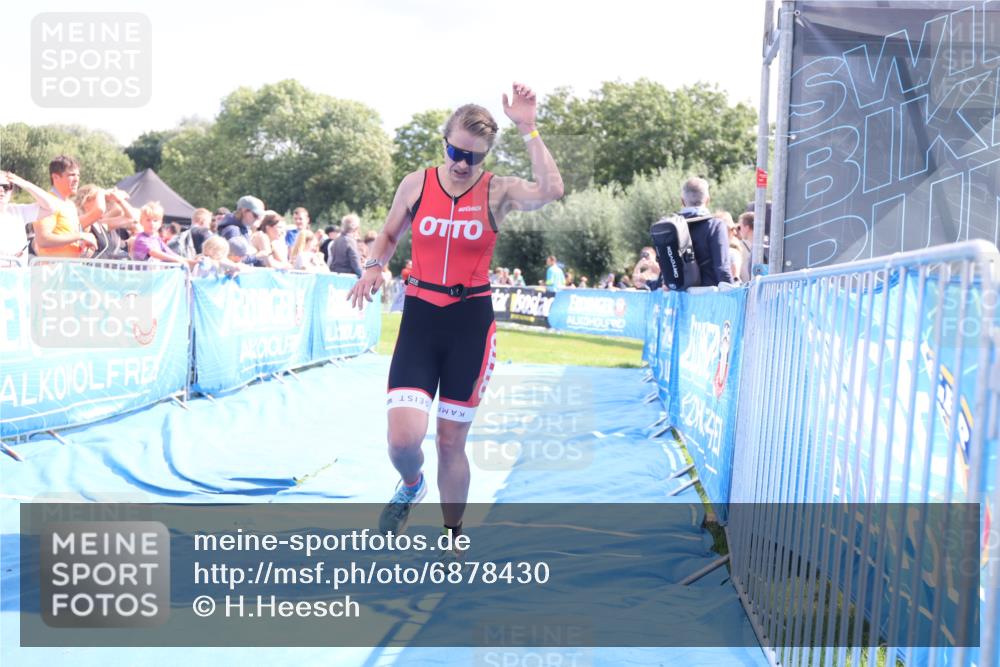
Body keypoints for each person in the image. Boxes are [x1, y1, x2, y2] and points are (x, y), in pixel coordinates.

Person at [347, 83, 563, 546]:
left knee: (450, 442)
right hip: (421, 321)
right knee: (404, 442)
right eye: (456, 151)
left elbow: (551, 189)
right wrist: (372, 268)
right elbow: (386, 235)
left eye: (475, 157)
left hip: (470, 324)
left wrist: (528, 128)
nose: (463, 164)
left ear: (486, 156)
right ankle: (411, 486)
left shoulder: (497, 190)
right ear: (444, 139)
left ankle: (452, 537)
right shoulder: (416, 182)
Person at [32, 156, 98, 258]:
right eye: (71, 175)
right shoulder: (47, 202)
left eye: (78, 175)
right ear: (55, 177)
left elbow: (69, 238)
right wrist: (80, 236)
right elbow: (43, 240)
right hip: (51, 271)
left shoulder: (70, 205)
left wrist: (84, 247)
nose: (76, 179)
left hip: (70, 269)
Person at [678, 177, 732, 287]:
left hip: (677, 297)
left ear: (682, 201)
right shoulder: (716, 226)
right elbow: (722, 268)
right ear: (708, 200)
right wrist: (734, 295)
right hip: (708, 296)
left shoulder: (671, 226)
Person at [0, 171, 63, 265]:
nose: (2, 190)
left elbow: (52, 207)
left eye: (6, 187)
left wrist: (24, 183)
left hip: (17, 276)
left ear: (11, 190)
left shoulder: (19, 211)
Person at [131, 202, 196, 267]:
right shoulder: (141, 239)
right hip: (141, 275)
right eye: (148, 220)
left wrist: (194, 262)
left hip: (154, 274)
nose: (152, 223)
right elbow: (153, 253)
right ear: (141, 221)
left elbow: (172, 254)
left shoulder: (157, 239)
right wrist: (176, 260)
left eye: (155, 220)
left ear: (160, 223)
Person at [737, 211, 753, 283]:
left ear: (746, 228)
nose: (739, 230)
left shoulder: (740, 246)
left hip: (748, 289)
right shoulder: (768, 244)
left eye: (740, 227)